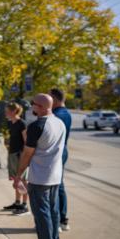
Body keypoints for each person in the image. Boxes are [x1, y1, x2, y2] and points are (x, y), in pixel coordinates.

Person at [13, 93, 66, 239]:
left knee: (42, 213)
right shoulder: (59, 123)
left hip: (40, 176)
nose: (31, 106)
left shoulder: (37, 126)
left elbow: (27, 154)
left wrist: (18, 175)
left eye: (33, 104)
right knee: (53, 211)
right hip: (55, 175)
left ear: (41, 107)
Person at [50, 88, 72, 231]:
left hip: (56, 152)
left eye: (50, 98)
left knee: (55, 187)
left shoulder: (57, 115)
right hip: (62, 150)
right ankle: (62, 219)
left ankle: (59, 220)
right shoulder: (66, 113)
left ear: (56, 99)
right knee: (59, 185)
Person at [3, 102, 30, 215]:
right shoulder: (11, 123)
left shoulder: (21, 123)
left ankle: (24, 205)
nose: (5, 113)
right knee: (16, 179)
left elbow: (26, 141)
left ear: (13, 111)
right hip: (12, 154)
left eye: (7, 110)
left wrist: (24, 157)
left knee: (23, 180)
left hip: (20, 154)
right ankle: (17, 202)